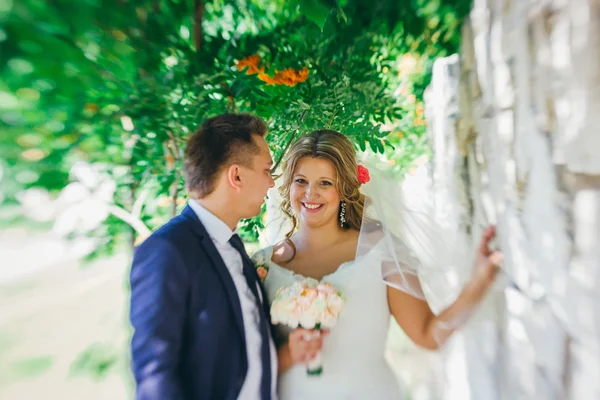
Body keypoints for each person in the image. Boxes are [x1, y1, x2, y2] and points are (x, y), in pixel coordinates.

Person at [251, 129, 502, 399]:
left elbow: (428, 335)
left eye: (325, 183)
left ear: (345, 189)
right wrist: (288, 354)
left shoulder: (381, 253)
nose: (310, 193)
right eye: (301, 181)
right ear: (288, 185)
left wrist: (480, 280)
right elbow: (245, 362)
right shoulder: (264, 265)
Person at [129, 113, 324, 400]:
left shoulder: (233, 246)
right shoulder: (167, 250)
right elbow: (155, 375)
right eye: (266, 170)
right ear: (236, 176)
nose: (271, 183)